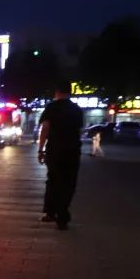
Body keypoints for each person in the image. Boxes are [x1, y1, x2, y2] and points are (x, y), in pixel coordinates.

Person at [38, 85, 84, 230]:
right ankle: (62, 215)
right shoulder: (76, 109)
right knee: (68, 183)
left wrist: (40, 149)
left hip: (55, 150)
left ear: (57, 92)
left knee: (53, 180)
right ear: (70, 92)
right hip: (72, 151)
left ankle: (50, 212)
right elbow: (79, 130)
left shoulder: (51, 107)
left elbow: (45, 128)